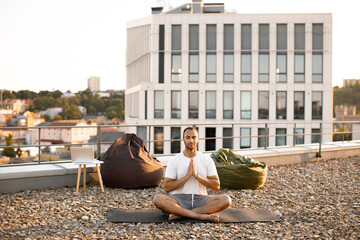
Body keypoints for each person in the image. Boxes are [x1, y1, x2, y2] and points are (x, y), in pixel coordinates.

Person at [153, 127, 231, 222]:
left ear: (198, 139)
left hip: (201, 200)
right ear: (183, 139)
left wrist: (197, 176)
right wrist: (187, 176)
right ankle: (200, 216)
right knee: (158, 199)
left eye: (194, 137)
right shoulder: (175, 160)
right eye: (188, 137)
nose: (191, 140)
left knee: (226, 200)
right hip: (179, 199)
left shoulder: (206, 159)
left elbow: (216, 186)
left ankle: (182, 214)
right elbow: (167, 187)